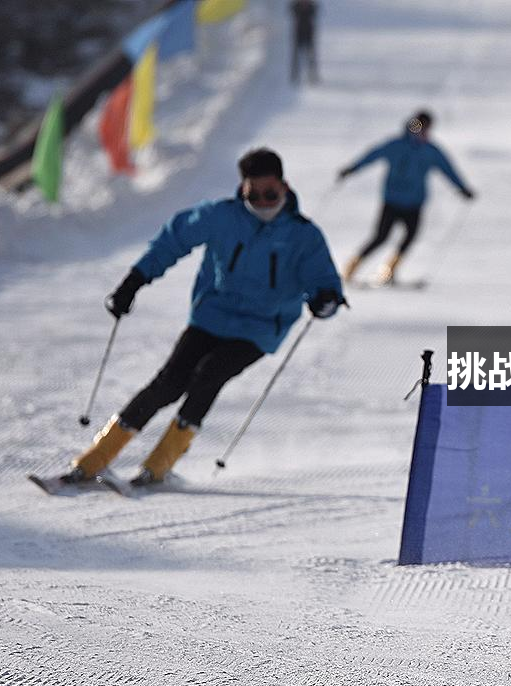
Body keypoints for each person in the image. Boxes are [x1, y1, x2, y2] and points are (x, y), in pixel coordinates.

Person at [56, 148, 344, 487]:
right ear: (243, 189)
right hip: (211, 317)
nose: (263, 202)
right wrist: (133, 282)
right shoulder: (222, 216)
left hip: (261, 328)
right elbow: (172, 241)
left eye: (271, 194)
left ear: (285, 187)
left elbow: (325, 283)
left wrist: (325, 301)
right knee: (168, 383)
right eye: (254, 194)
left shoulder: (302, 235)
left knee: (210, 374)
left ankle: (159, 464)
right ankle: (96, 458)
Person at [338, 110, 475, 285]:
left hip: (414, 204)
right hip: (393, 201)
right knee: (380, 237)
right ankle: (351, 268)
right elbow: (372, 155)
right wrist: (352, 169)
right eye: (421, 127)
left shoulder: (430, 150)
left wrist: (462, 189)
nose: (424, 131)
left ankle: (389, 272)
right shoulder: (397, 145)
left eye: (427, 128)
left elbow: (447, 169)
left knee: (410, 238)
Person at [290, 0, 319, 85]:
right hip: (298, 34)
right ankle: (295, 75)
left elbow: (314, 14)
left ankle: (312, 75)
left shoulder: (312, 6)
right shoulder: (295, 6)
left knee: (311, 55)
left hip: (309, 33)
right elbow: (292, 12)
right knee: (296, 56)